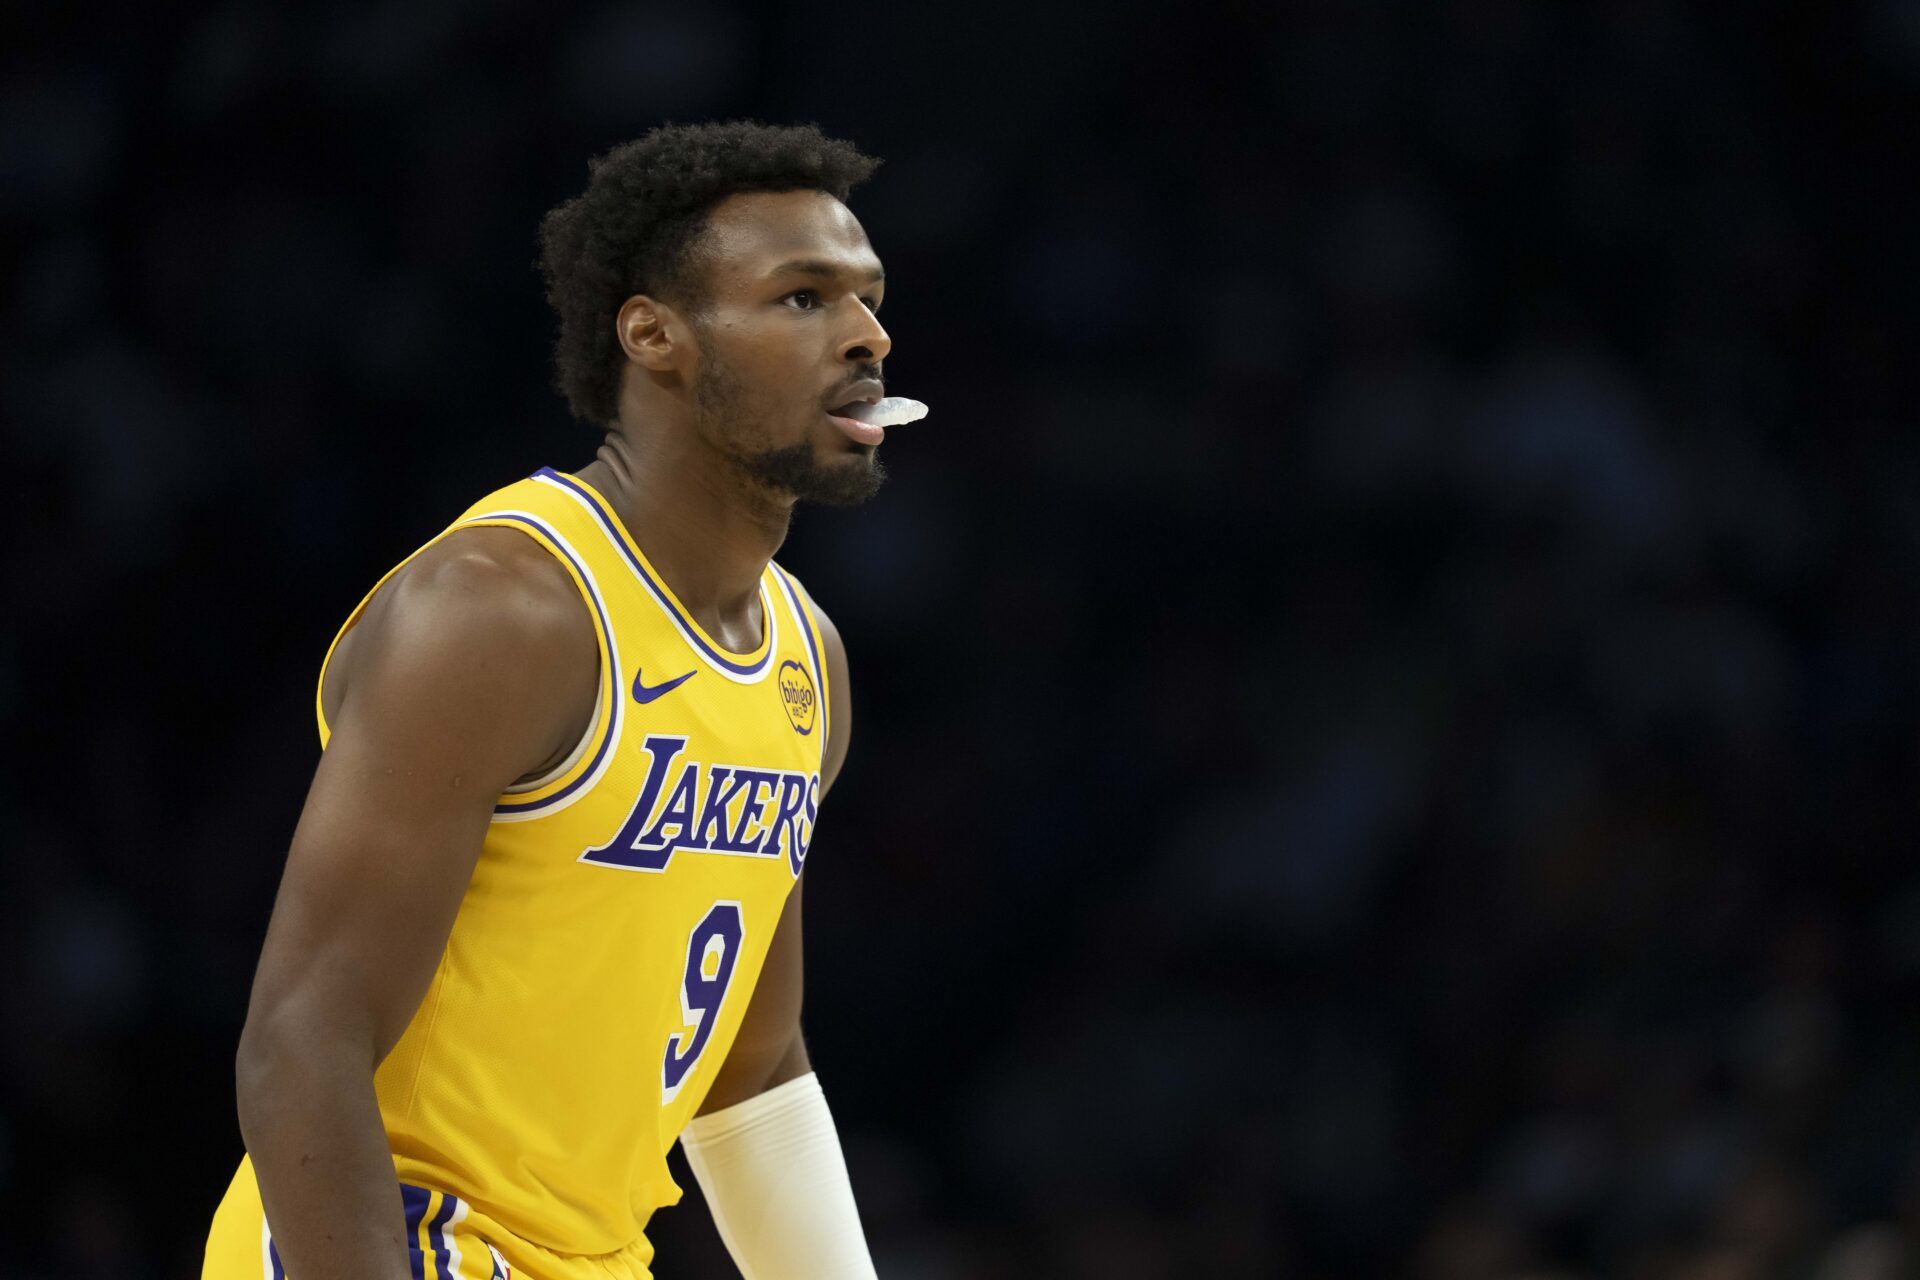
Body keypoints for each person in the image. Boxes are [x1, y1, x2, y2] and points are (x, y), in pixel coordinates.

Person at [202, 119, 906, 1280]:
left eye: (870, 298)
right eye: (803, 298)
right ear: (655, 334)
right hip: (403, 1239)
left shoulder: (805, 659)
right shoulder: (505, 610)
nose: (870, 335)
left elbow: (752, 1067)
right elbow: (301, 1036)